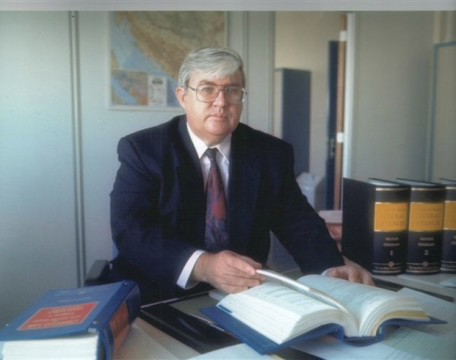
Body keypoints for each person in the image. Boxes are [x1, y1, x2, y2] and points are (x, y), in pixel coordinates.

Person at [109, 47, 373, 303]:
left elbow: (298, 223)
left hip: (244, 294)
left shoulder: (270, 152)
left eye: (232, 90)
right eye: (207, 89)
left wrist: (330, 268)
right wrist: (203, 265)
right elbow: (131, 229)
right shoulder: (144, 150)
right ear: (182, 96)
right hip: (158, 293)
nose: (221, 102)